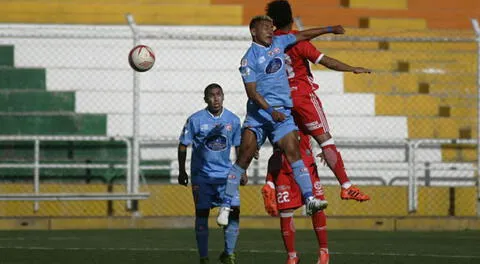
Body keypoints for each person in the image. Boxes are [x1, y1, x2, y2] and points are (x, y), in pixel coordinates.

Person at [216, 15, 345, 227]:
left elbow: (303, 35)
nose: (270, 30)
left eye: (271, 26)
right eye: (265, 27)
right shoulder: (248, 59)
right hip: (259, 115)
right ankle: (226, 205)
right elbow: (252, 93)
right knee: (244, 158)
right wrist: (270, 109)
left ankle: (310, 199)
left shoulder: (279, 42)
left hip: (281, 114)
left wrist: (330, 28)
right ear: (253, 32)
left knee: (293, 151)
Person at [266, 0, 371, 201]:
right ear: (290, 17)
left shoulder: (270, 42)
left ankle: (270, 183)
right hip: (303, 97)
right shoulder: (298, 42)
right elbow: (326, 61)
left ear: (273, 21)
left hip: (281, 100)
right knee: (326, 141)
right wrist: (351, 68)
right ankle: (346, 185)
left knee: (283, 146)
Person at [178, 83, 243, 264]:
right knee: (202, 214)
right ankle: (204, 257)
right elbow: (183, 145)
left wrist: (241, 170)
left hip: (226, 176)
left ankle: (229, 253)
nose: (216, 98)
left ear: (223, 96)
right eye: (211, 95)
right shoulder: (195, 120)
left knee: (235, 211)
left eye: (218, 94)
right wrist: (182, 170)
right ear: (205, 98)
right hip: (202, 176)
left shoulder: (233, 120)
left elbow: (238, 146)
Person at [262, 131, 328, 264]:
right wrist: (269, 178)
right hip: (282, 168)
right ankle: (292, 256)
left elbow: (319, 126)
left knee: (317, 207)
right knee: (285, 212)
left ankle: (324, 251)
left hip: (306, 165)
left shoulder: (301, 111)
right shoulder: (273, 113)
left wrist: (326, 148)